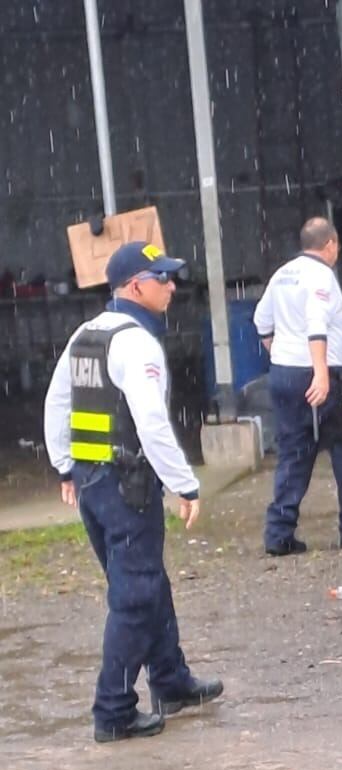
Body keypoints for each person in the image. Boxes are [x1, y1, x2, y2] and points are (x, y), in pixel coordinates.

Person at [42, 242, 223, 742]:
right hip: (127, 483)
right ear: (134, 286)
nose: (171, 287)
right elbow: (151, 423)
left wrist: (64, 466)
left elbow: (57, 402)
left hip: (92, 480)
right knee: (137, 595)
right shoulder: (137, 343)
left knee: (144, 581)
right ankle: (114, 710)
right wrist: (184, 482)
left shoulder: (87, 334)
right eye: (161, 278)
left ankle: (171, 681)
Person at [253, 217, 342, 555]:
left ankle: (278, 533)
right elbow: (316, 325)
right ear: (330, 244)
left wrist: (276, 350)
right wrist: (320, 372)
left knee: (293, 452)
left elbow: (262, 321)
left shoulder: (282, 274)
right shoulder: (321, 278)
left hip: (284, 373)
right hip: (317, 373)